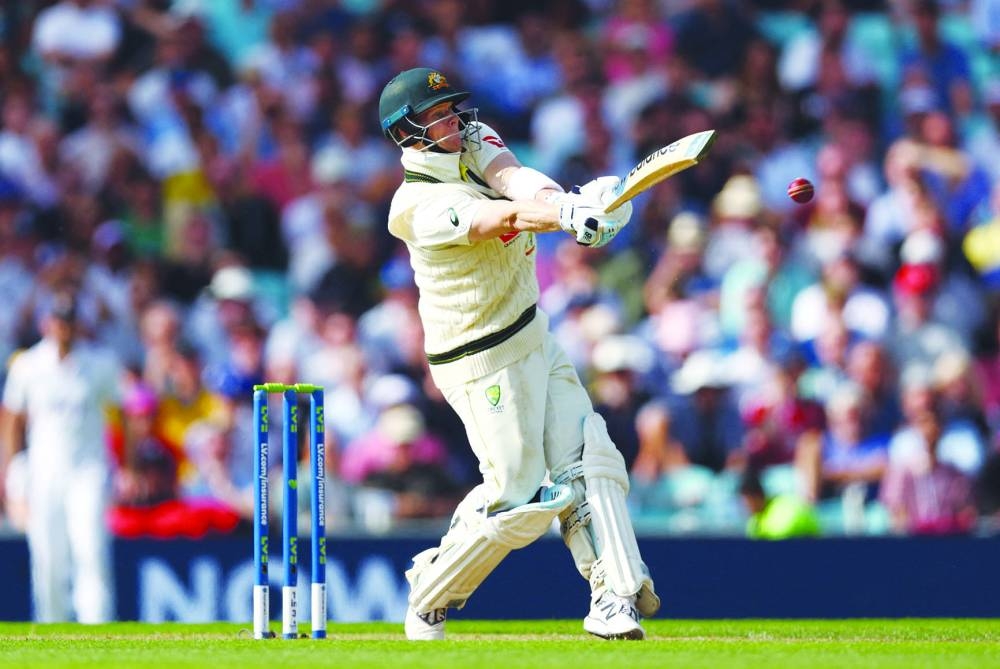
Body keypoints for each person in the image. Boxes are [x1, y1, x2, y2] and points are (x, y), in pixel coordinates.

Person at [378, 67, 658, 640]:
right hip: (479, 358)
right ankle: (431, 591)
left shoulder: (472, 141)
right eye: (438, 116)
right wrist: (566, 217)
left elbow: (516, 182)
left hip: (533, 331)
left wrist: (573, 204)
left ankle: (614, 595)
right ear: (407, 133)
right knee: (520, 500)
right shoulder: (414, 206)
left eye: (453, 109)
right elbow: (499, 217)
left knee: (589, 457)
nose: (454, 122)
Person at [1, 290, 123, 622]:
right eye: (58, 320)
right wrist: (12, 471)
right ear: (46, 323)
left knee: (90, 548)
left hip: (88, 471)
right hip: (44, 472)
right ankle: (51, 624)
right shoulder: (27, 365)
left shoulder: (99, 364)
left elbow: (121, 415)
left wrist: (126, 465)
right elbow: (12, 421)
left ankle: (97, 625)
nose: (63, 328)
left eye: (69, 321)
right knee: (48, 554)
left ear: (77, 324)